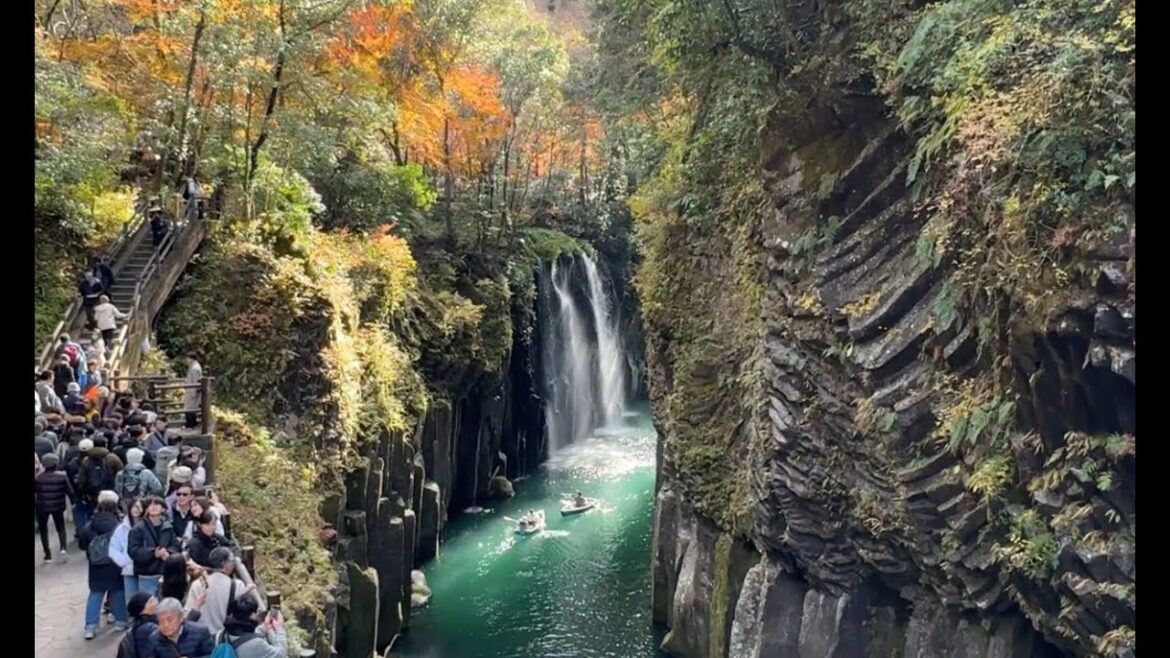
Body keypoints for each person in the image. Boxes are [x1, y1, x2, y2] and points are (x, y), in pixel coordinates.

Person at [78, 492, 129, 639]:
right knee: (117, 591)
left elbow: (83, 543)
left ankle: (90, 626)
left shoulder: (89, 525)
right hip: (113, 564)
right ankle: (120, 620)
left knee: (95, 594)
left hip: (95, 566)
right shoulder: (118, 526)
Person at [216, 592, 288, 658]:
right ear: (252, 615)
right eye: (257, 611)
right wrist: (280, 629)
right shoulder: (256, 644)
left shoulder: (221, 635)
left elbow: (242, 637)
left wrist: (263, 628)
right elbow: (280, 654)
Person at [35, 453, 75, 563]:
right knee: (61, 528)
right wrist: (73, 502)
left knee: (43, 530)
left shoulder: (38, 478)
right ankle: (63, 548)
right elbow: (70, 491)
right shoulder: (62, 476)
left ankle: (47, 554)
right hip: (58, 506)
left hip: (42, 506)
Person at [147, 597, 215, 657]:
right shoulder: (154, 639)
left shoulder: (201, 632)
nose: (165, 624)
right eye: (161, 621)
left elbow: (214, 656)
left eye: (170, 620)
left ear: (181, 617)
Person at [117, 592, 158, 658]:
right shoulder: (148, 628)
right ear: (142, 609)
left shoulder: (138, 625)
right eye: (151, 601)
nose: (156, 602)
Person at [183, 353, 203, 429]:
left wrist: (193, 392)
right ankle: (190, 424)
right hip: (190, 390)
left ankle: (190, 424)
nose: (187, 360)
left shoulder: (195, 368)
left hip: (192, 391)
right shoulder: (193, 366)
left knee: (190, 408)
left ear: (191, 359)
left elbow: (195, 381)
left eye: (187, 358)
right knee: (189, 408)